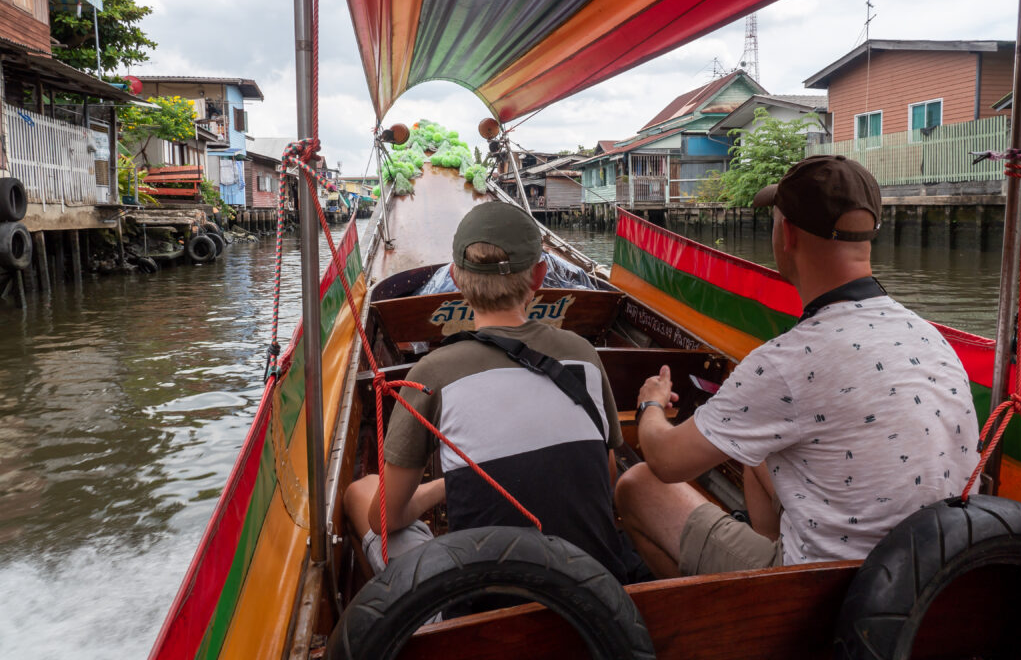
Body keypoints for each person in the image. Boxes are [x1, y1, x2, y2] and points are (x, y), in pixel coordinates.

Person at [615, 154, 980, 578]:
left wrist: (651, 406)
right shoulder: (930, 337)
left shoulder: (787, 362)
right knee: (756, 456)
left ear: (786, 233)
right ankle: (764, 576)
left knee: (637, 486)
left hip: (835, 592)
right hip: (934, 573)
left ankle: (755, 616)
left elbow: (665, 461)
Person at [345, 201, 631, 581]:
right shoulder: (583, 355)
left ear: (456, 279)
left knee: (362, 493)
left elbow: (387, 519)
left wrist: (447, 486)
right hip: (593, 591)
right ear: (540, 276)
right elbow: (605, 472)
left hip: (479, 610)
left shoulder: (431, 372)